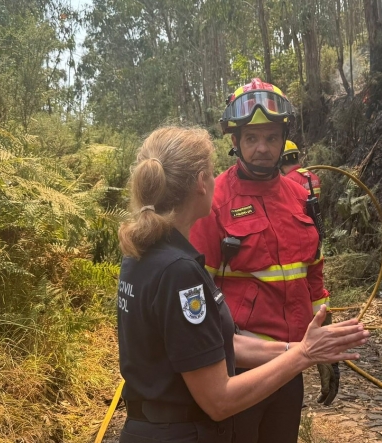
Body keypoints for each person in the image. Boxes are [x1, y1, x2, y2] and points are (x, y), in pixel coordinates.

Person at [116, 126, 368, 443]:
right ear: (200, 183)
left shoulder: (142, 253)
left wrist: (303, 349)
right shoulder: (179, 272)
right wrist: (303, 355)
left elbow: (215, 345)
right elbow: (219, 399)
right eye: (210, 172)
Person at [189, 79, 337, 443]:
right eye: (252, 139)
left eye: (271, 138)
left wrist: (325, 346)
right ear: (235, 141)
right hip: (238, 368)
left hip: (291, 364)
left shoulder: (300, 195)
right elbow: (195, 291)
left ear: (283, 139)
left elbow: (313, 275)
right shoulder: (214, 199)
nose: (262, 148)